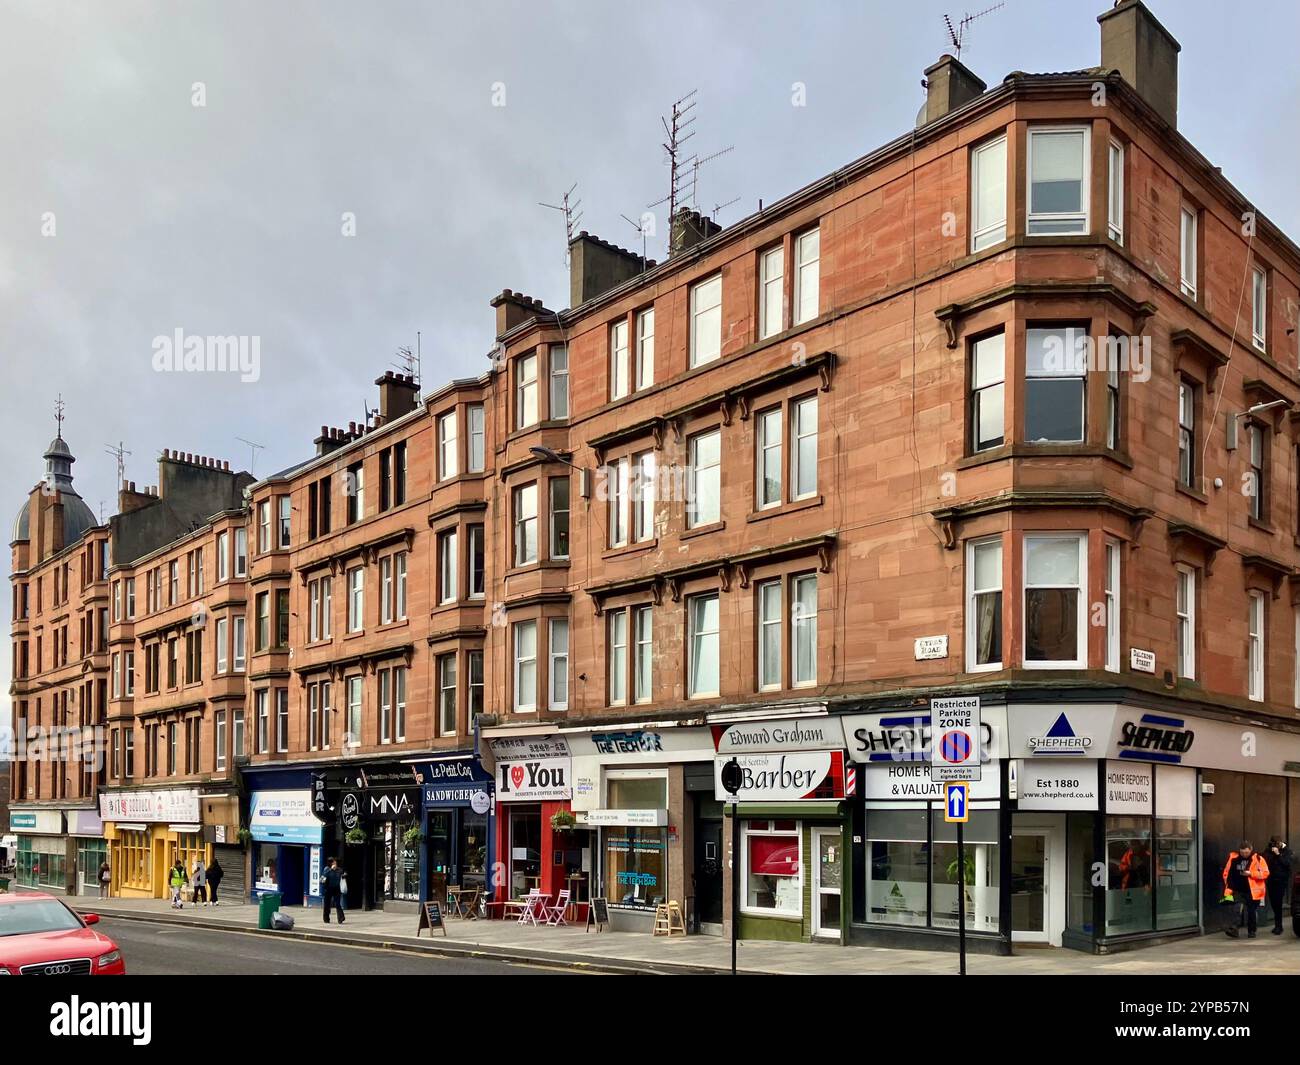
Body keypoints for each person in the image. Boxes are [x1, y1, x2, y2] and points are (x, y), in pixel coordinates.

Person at [1222, 840, 1269, 938]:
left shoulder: (1258, 859)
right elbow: (1227, 872)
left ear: (1251, 850)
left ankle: (1251, 931)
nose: (1244, 855)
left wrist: (1251, 874)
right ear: (1239, 851)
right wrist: (1229, 886)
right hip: (1237, 889)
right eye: (1242, 852)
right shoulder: (1233, 858)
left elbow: (1265, 873)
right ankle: (1234, 928)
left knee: (1251, 911)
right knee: (1236, 909)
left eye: (1247, 853)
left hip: (1252, 891)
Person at [1265, 836, 1292, 936]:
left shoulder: (1287, 851)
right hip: (1271, 880)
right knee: (1273, 902)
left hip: (1281, 881)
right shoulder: (1268, 850)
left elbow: (1287, 864)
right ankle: (1277, 925)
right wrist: (1272, 853)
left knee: (1278, 902)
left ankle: (1278, 926)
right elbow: (1266, 860)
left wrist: (1278, 854)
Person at [319, 857, 346, 924]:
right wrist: (330, 870)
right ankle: (326, 919)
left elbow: (343, 873)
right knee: (327, 904)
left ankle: (341, 918)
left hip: (336, 888)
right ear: (330, 863)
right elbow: (322, 879)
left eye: (335, 862)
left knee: (337, 904)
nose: (335, 863)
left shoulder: (339, 870)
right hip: (328, 888)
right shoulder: (326, 869)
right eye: (333, 862)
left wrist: (344, 875)